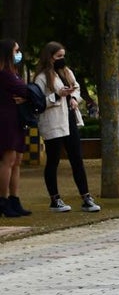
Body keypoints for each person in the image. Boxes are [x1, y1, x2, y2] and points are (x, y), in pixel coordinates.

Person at [33, 42, 101, 213]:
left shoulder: (66, 71)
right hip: (53, 122)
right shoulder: (41, 78)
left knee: (77, 159)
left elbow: (76, 88)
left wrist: (73, 98)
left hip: (69, 119)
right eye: (58, 57)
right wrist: (57, 95)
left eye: (63, 56)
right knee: (53, 160)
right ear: (49, 58)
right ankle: (55, 199)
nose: (62, 60)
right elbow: (39, 103)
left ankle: (86, 197)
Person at [0, 39, 33, 218]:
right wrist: (28, 94)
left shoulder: (14, 72)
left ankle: (14, 198)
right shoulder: (5, 74)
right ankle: (3, 200)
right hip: (6, 119)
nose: (19, 53)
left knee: (17, 160)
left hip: (17, 119)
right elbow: (25, 90)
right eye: (16, 50)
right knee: (9, 159)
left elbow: (25, 91)